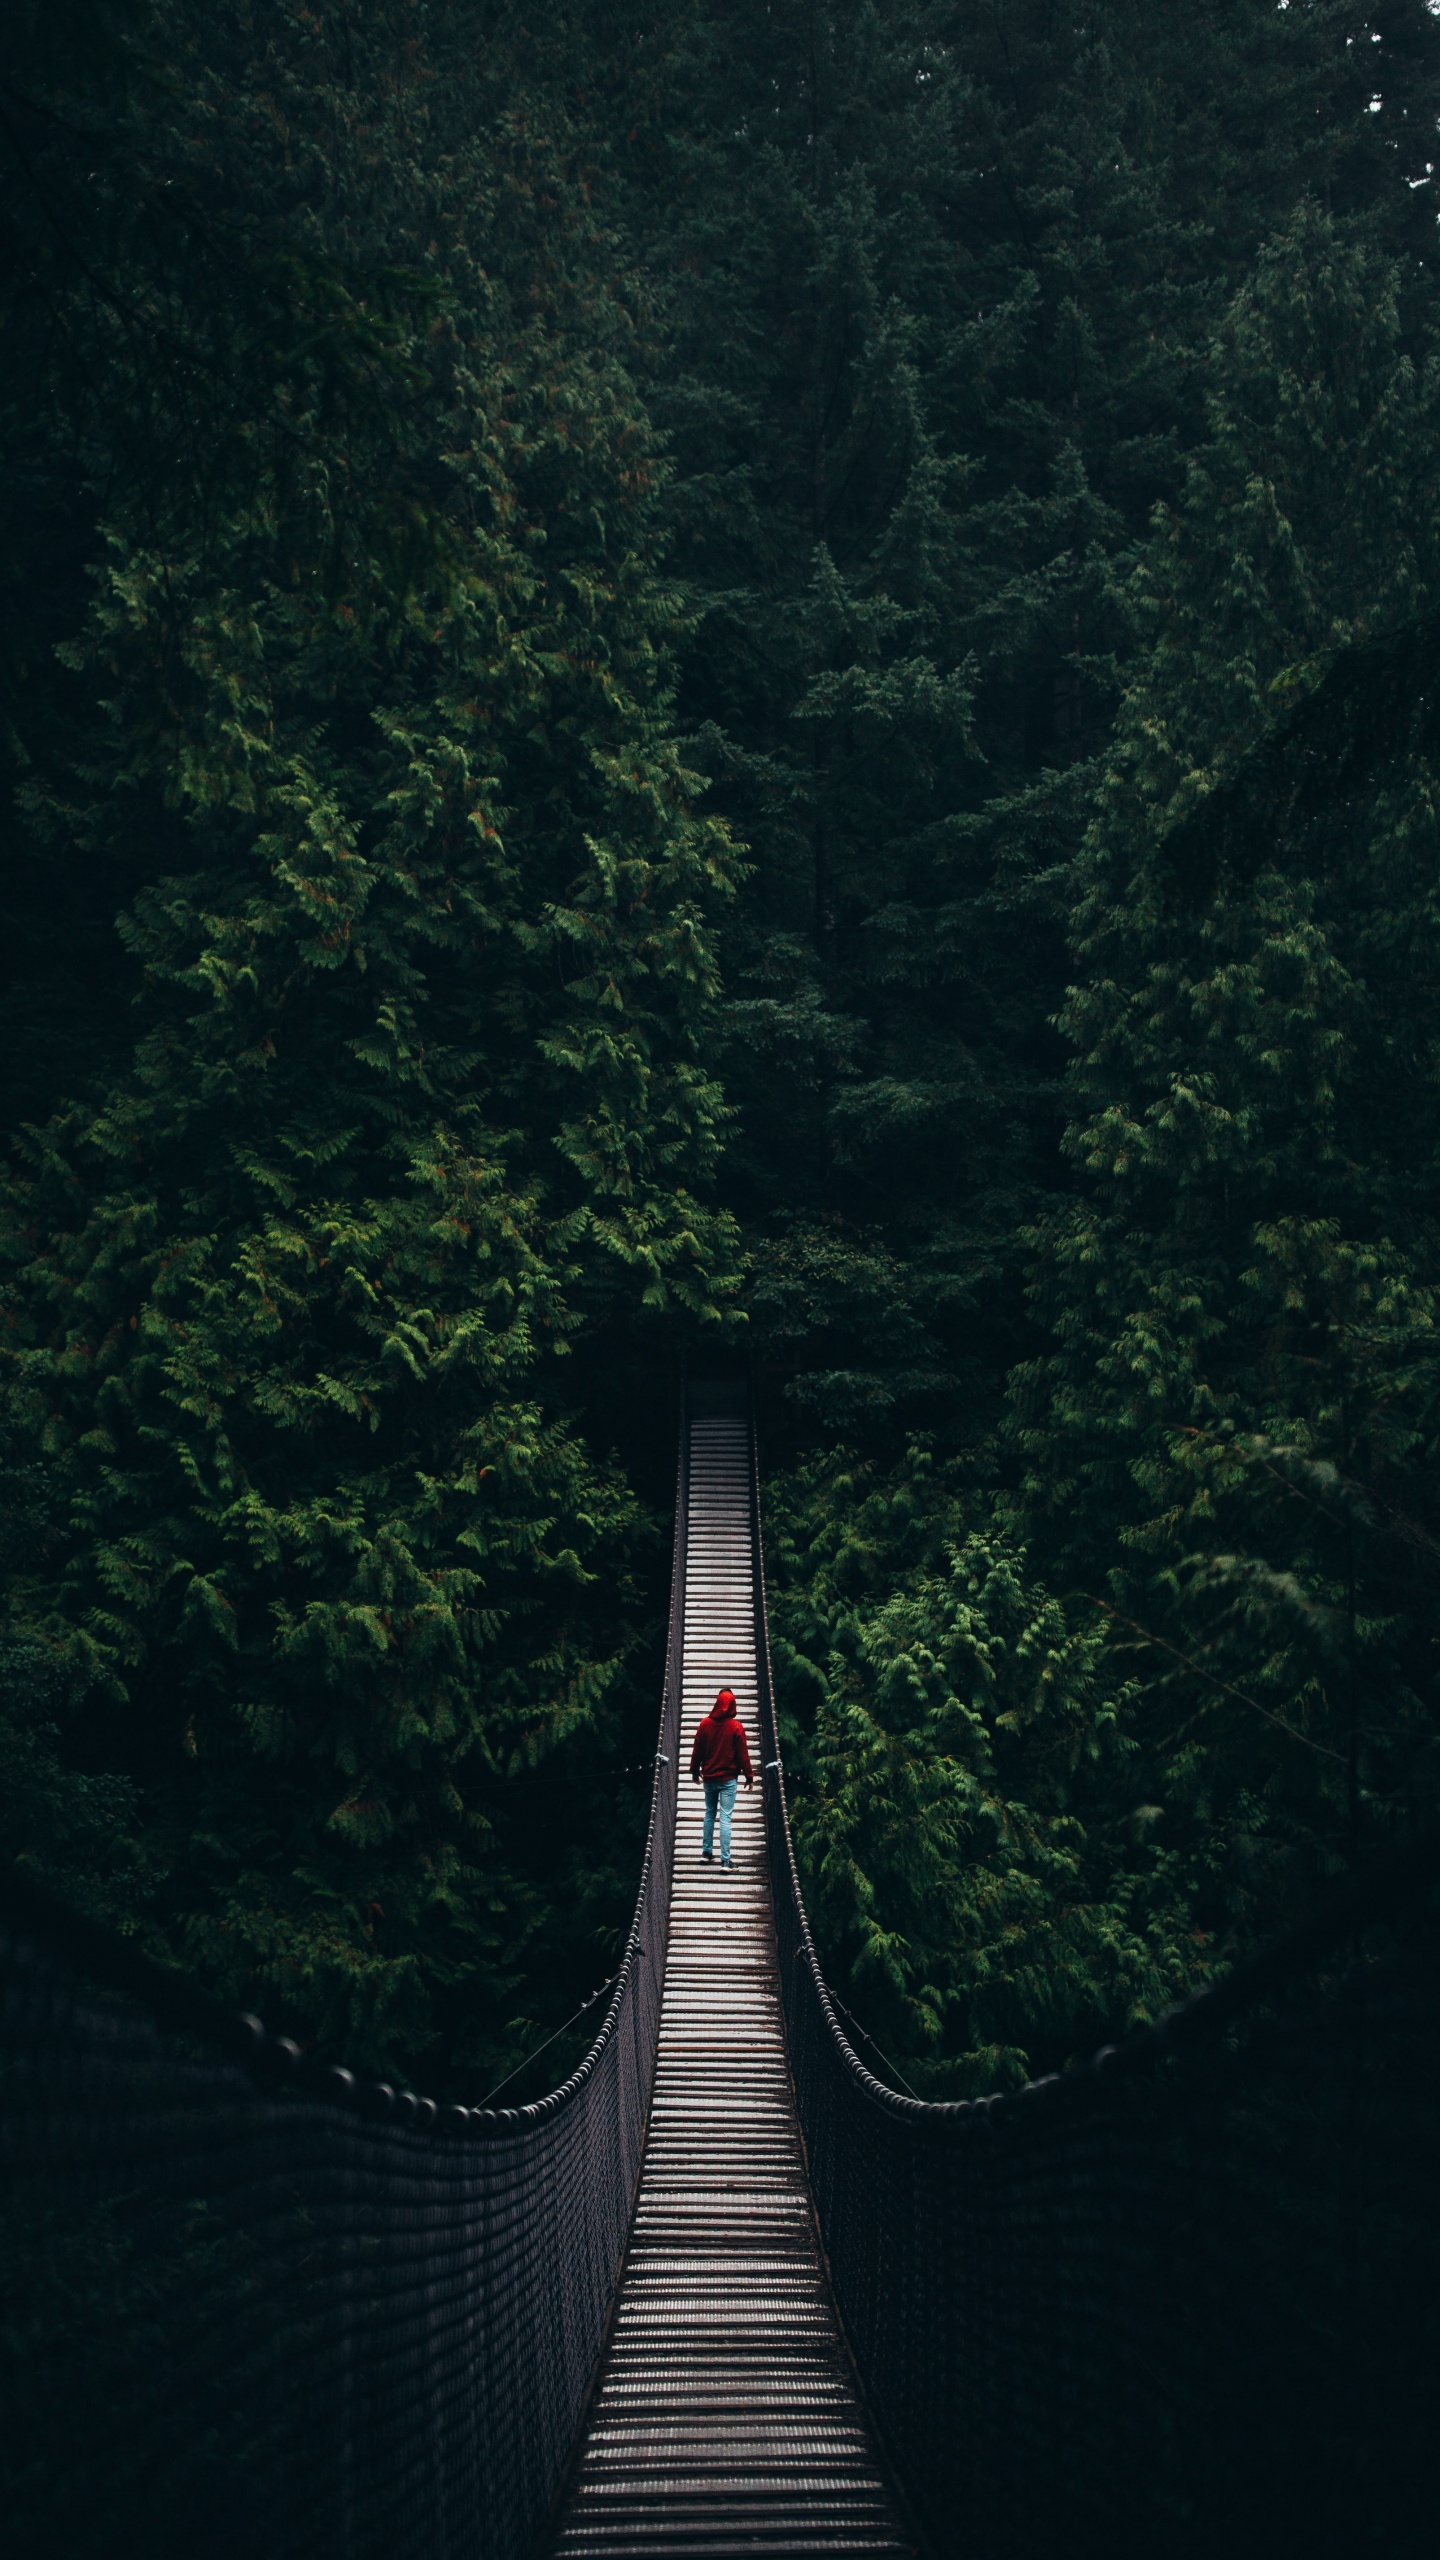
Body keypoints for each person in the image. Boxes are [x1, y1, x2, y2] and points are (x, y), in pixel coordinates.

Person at [690, 1686, 754, 1871]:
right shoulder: (736, 1727)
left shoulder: (704, 1725)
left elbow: (697, 1751)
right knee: (726, 1817)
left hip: (709, 1778)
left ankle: (706, 1853)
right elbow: (743, 1755)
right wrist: (749, 1776)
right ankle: (726, 1861)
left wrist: (695, 1771)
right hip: (728, 1780)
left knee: (710, 1813)